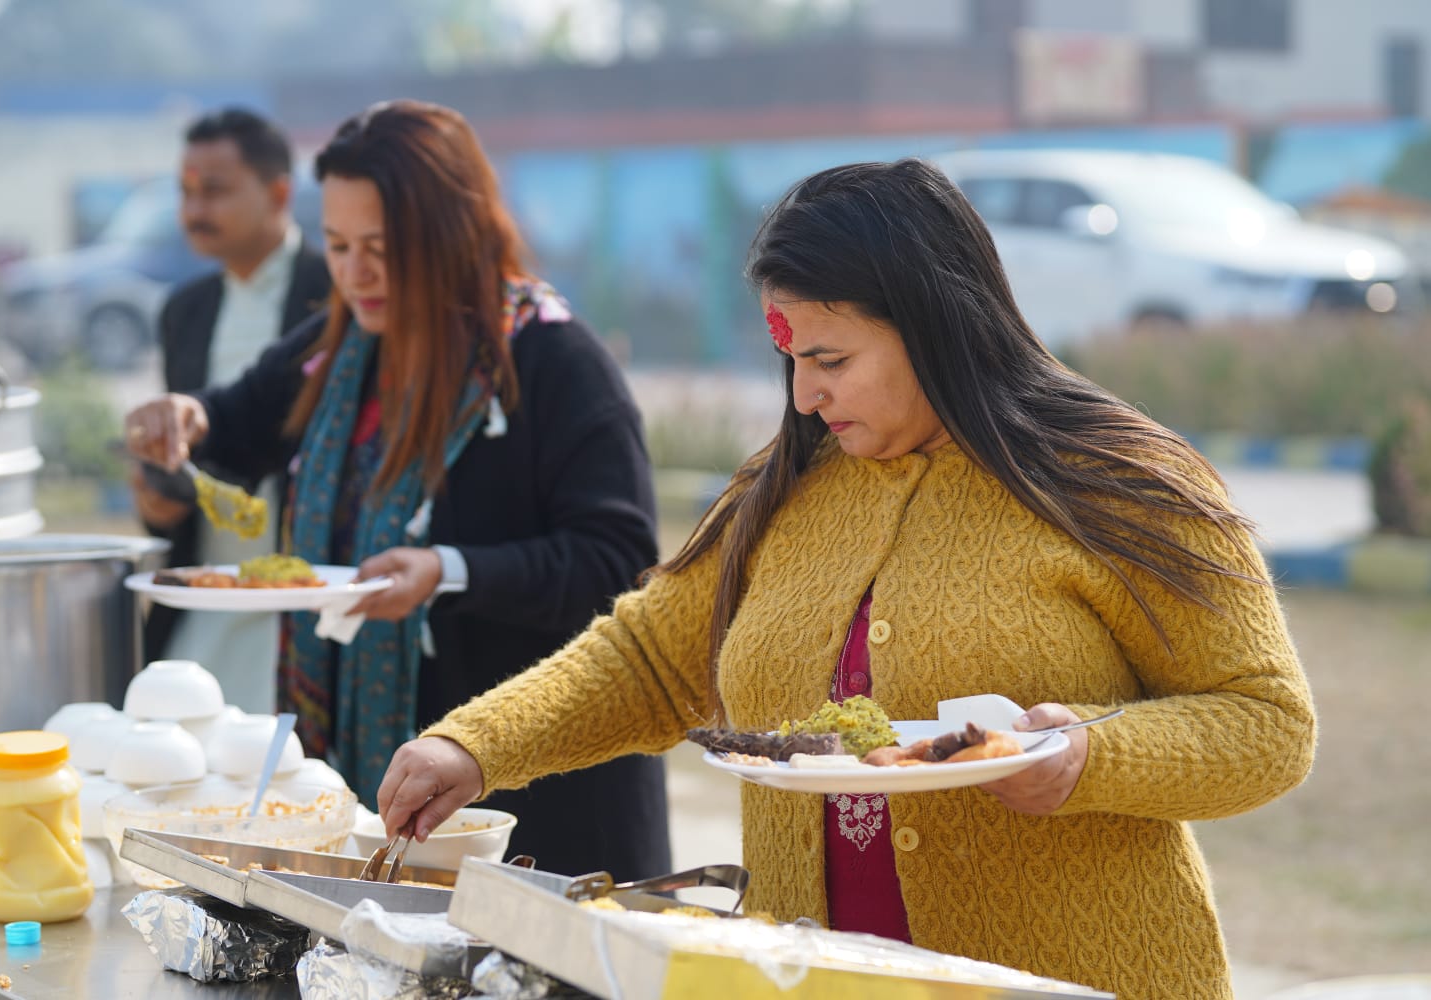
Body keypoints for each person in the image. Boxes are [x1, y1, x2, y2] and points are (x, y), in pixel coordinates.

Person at [376, 159, 1317, 1000]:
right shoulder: (782, 490)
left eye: (831, 360)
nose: (803, 396)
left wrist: (1090, 756)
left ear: (939, 325)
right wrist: (477, 745)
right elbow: (651, 660)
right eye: (790, 361)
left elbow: (1266, 720)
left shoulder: (1116, 479)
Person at [124, 100, 672, 882]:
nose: (356, 273)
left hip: (542, 811)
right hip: (387, 799)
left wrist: (447, 570)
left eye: (383, 248)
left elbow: (616, 564)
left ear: (454, 231)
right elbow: (230, 428)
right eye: (340, 246)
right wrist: (182, 418)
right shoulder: (340, 349)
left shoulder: (552, 359)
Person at [131, 107, 331, 710]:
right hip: (208, 592)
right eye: (186, 192)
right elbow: (183, 457)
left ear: (278, 192)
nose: (194, 210)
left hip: (314, 597)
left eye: (214, 190)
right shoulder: (184, 309)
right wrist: (156, 502)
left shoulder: (343, 295)